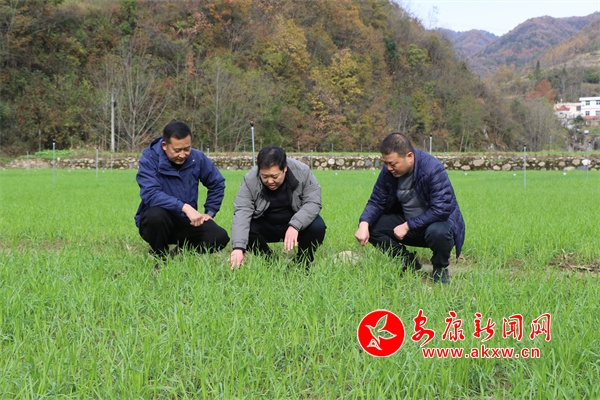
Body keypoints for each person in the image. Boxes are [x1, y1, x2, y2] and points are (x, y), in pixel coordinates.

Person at [355, 133, 465, 283]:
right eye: (385, 163)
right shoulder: (388, 172)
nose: (388, 168)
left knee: (439, 232)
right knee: (371, 226)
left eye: (393, 164)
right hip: (407, 225)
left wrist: (408, 225)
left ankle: (440, 268)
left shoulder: (432, 168)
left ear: (409, 156)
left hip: (434, 227)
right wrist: (364, 223)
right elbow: (376, 201)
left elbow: (441, 209)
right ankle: (408, 262)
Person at [135, 121, 229, 260]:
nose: (183, 155)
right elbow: (150, 194)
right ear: (164, 145)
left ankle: (178, 253)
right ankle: (160, 256)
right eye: (177, 150)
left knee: (219, 237)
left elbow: (217, 183)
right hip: (157, 223)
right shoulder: (149, 160)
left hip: (187, 221)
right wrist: (184, 207)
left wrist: (210, 212)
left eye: (187, 149)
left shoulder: (197, 158)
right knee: (155, 216)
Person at [229, 146, 326, 270]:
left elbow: (313, 202)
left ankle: (303, 262)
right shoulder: (250, 180)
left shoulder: (303, 172)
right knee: (246, 228)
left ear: (285, 168)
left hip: (294, 225)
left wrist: (295, 225)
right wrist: (238, 248)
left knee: (317, 226)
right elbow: (242, 211)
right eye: (265, 176)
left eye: (275, 176)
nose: (270, 181)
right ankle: (271, 261)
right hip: (266, 224)